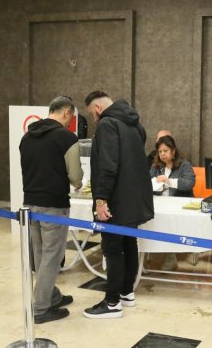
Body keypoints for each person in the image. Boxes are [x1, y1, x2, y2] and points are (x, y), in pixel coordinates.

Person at [83, 91, 154, 319]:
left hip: (117, 200)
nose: (94, 120)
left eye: (92, 115)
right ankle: (126, 292)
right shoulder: (135, 125)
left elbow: (108, 165)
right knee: (129, 243)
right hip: (135, 200)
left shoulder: (107, 124)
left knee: (112, 249)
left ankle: (112, 302)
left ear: (96, 109)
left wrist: (101, 199)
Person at [19, 96, 83, 324]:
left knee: (40, 255)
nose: (71, 123)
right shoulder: (66, 138)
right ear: (66, 112)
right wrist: (79, 184)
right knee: (52, 257)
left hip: (29, 203)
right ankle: (41, 308)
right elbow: (75, 176)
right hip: (54, 204)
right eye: (72, 118)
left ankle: (51, 295)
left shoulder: (27, 137)